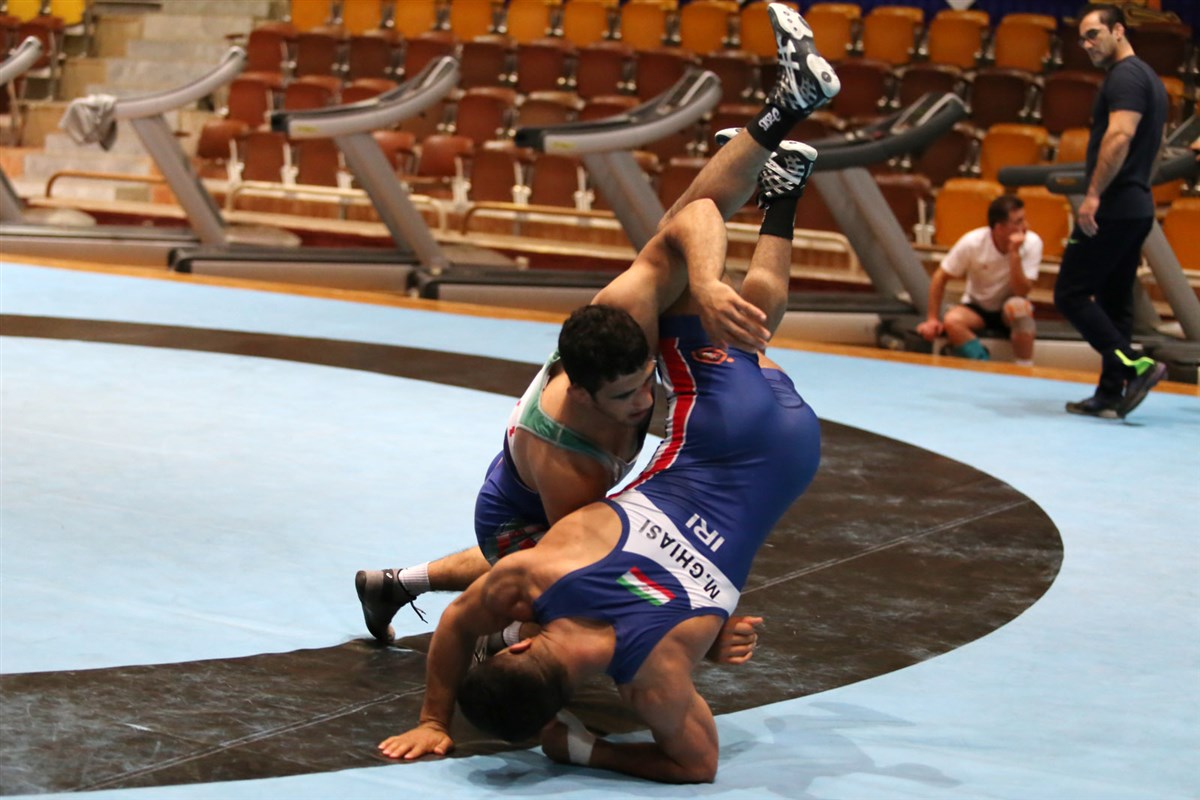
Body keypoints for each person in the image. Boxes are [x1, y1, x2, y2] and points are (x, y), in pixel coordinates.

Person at [354, 2, 840, 654]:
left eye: (645, 381)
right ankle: (779, 180)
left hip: (547, 499)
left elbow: (694, 215)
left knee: (718, 304)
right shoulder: (571, 464)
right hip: (518, 525)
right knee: (556, 628)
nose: (645, 402)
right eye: (628, 396)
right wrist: (708, 619)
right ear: (583, 395)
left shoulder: (624, 314)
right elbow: (597, 566)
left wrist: (704, 284)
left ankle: (786, 112)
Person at [375, 131, 823, 782]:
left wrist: (588, 748)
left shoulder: (653, 678)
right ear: (518, 643)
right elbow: (457, 625)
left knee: (744, 326)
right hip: (716, 433)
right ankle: (766, 146)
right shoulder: (536, 572)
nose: (642, 399)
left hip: (793, 455)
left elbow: (698, 765)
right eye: (630, 392)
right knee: (691, 263)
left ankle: (781, 195)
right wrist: (432, 717)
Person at [1053, 3, 1169, 419]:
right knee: (1115, 300)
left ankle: (1135, 365)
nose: (1086, 44)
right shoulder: (1150, 79)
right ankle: (1109, 392)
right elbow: (1157, 147)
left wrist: (1094, 195)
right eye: (1082, 38)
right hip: (1136, 205)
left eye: (1093, 34)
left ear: (1118, 30)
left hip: (1115, 207)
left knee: (1070, 293)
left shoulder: (1125, 77)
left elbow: (1119, 136)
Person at [917, 195, 1042, 365]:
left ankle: (1024, 368)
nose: (1025, 227)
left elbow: (1022, 291)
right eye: (1018, 222)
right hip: (977, 307)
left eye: (1024, 219)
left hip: (1009, 306)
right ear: (999, 228)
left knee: (1020, 308)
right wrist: (932, 319)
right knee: (952, 321)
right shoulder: (972, 242)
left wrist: (1014, 254)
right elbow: (940, 276)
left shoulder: (1033, 243)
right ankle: (982, 364)